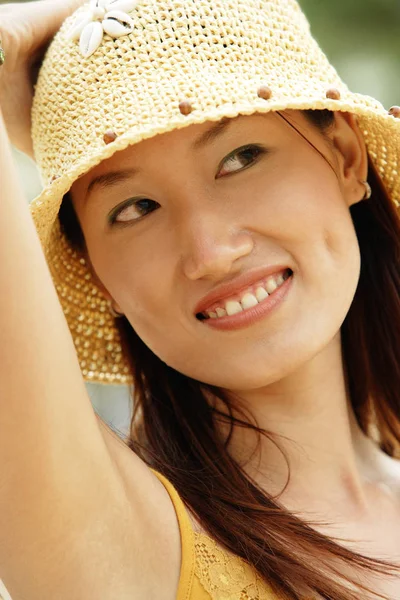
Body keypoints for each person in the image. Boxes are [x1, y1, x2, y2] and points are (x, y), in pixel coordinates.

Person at [0, 0, 400, 598]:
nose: (211, 253)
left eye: (240, 158)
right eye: (135, 208)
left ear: (344, 156)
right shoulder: (119, 541)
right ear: (96, 273)